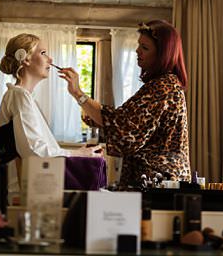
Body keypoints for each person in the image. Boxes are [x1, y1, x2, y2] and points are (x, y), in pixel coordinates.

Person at [58, 20, 191, 190]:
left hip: (158, 184)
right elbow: (125, 121)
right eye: (138, 45)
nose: (137, 51)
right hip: (159, 181)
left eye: (145, 48)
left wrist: (78, 93)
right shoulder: (163, 84)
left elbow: (124, 127)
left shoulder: (162, 87)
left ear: (162, 54)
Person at [0, 34, 101, 196]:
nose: (50, 60)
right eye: (43, 53)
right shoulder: (19, 96)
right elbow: (34, 151)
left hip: (29, 191)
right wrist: (77, 154)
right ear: (25, 59)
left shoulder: (21, 97)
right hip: (26, 195)